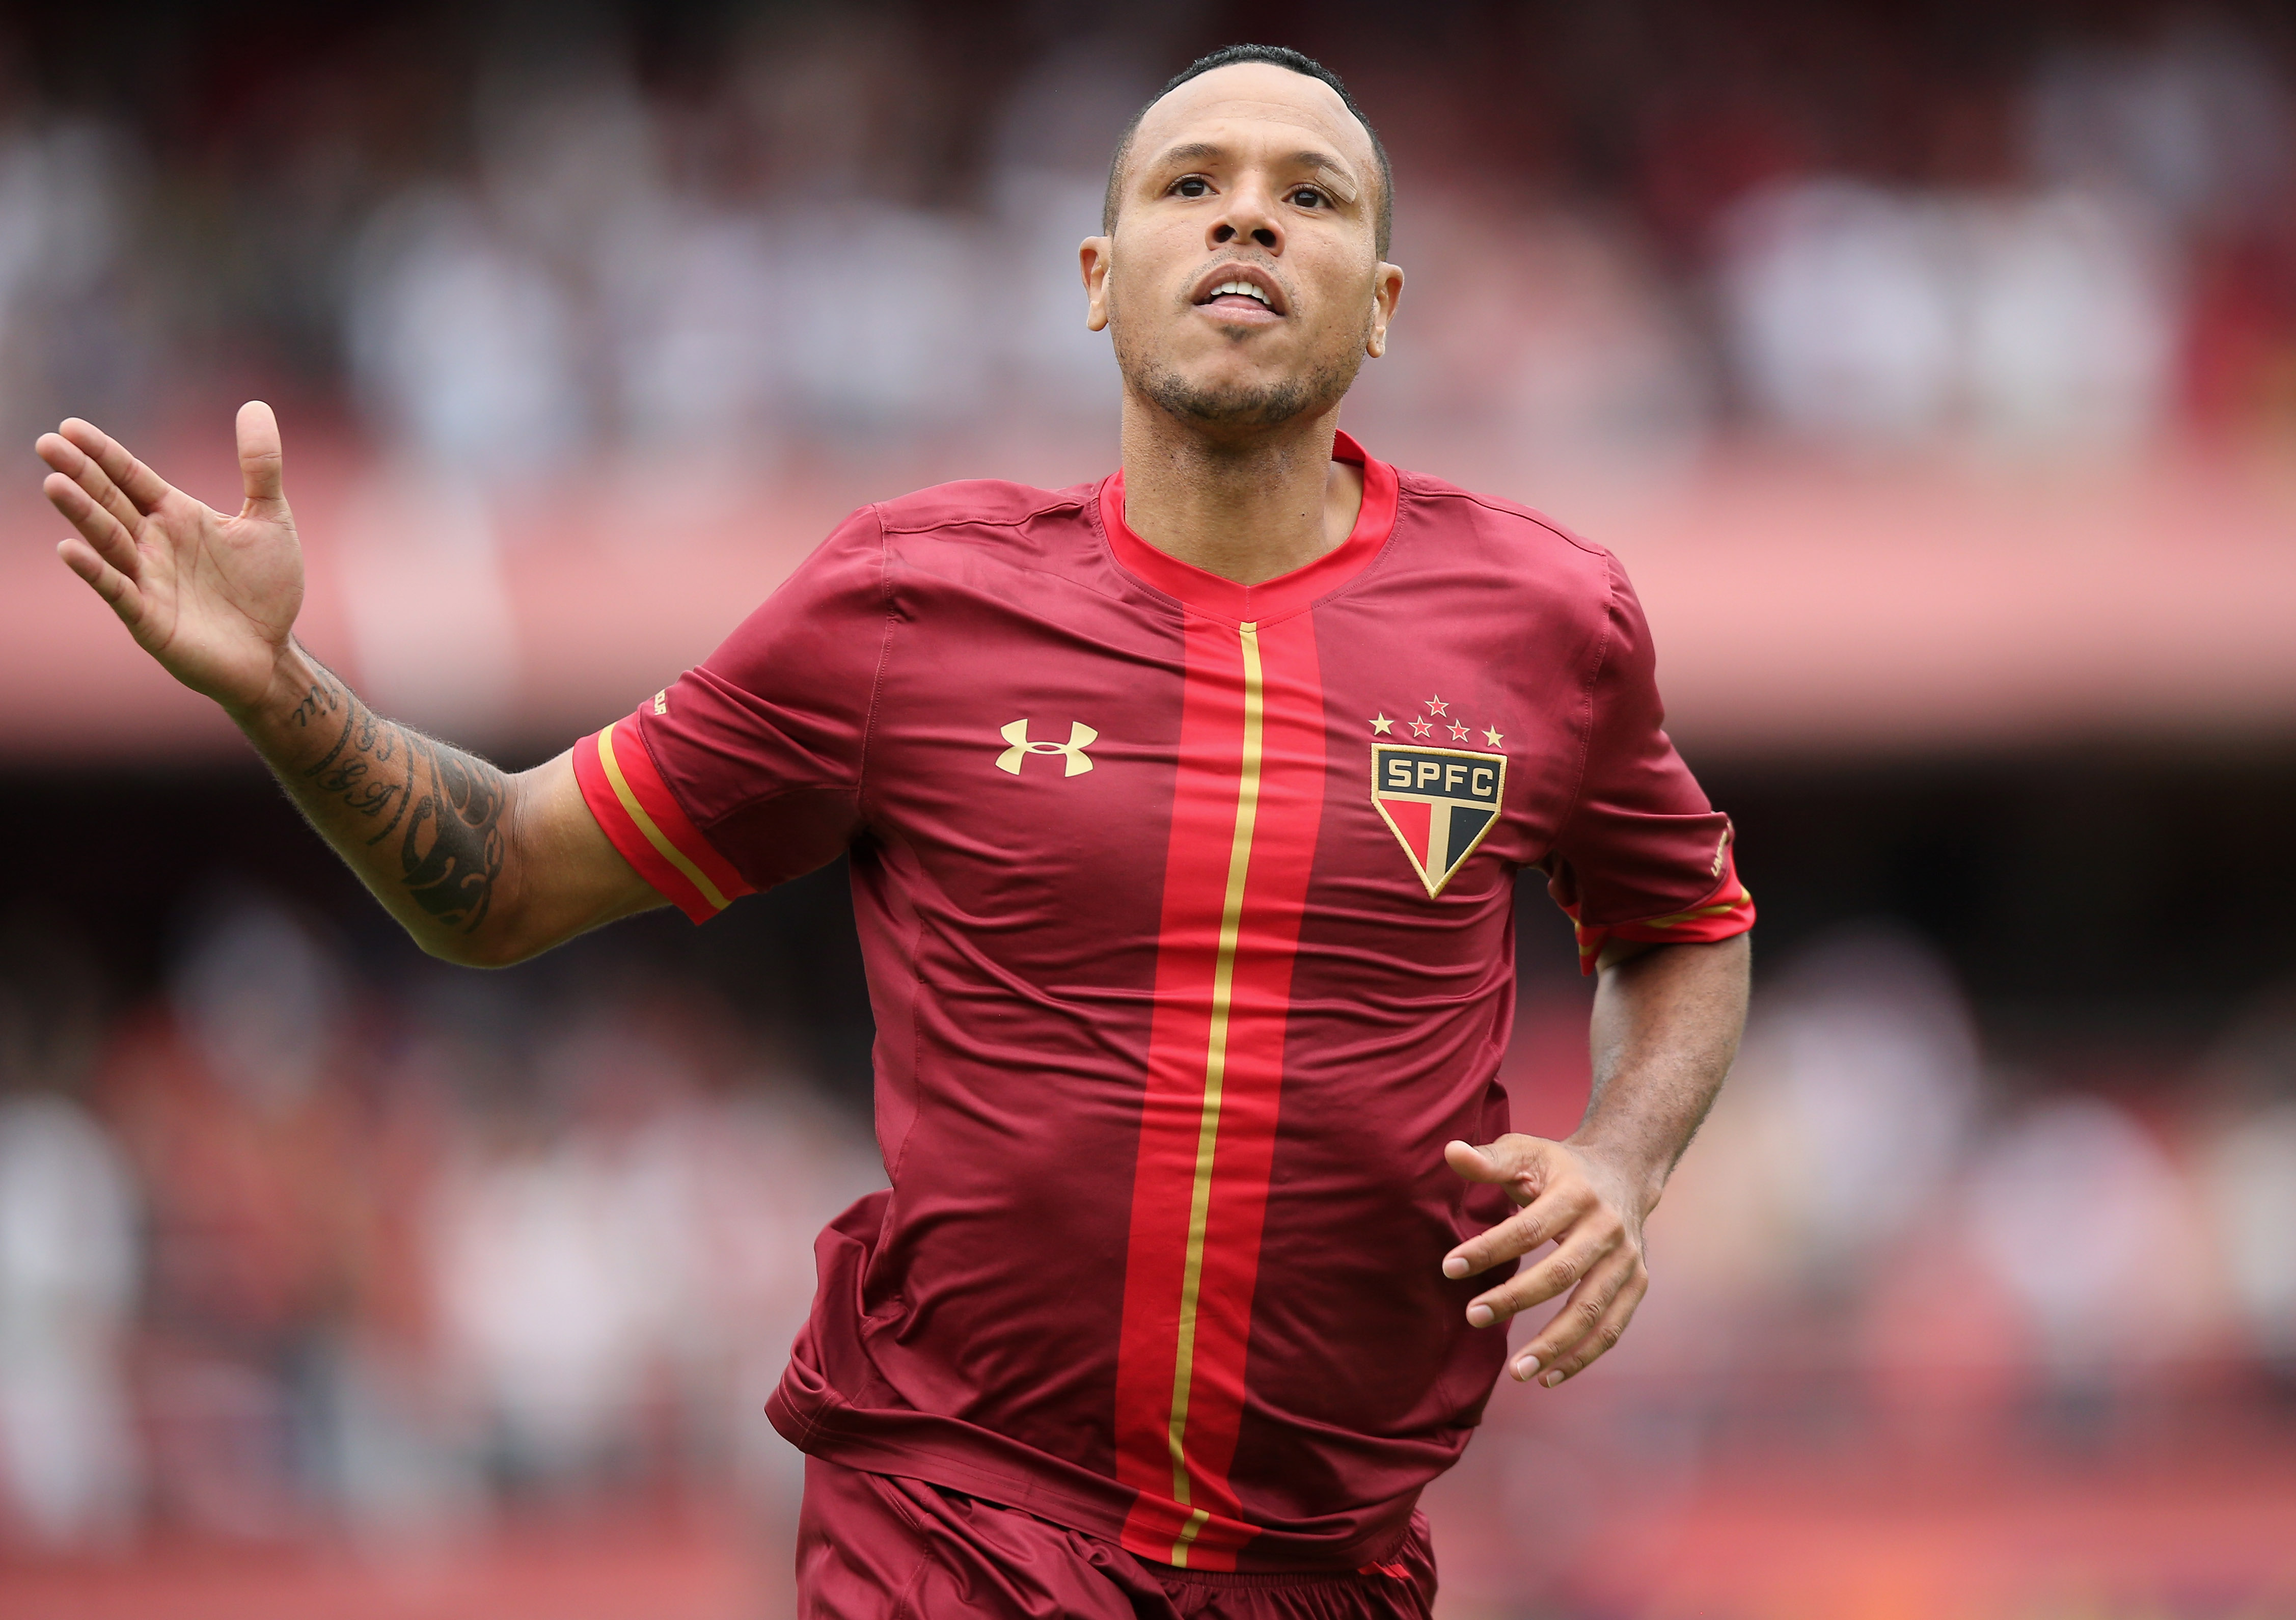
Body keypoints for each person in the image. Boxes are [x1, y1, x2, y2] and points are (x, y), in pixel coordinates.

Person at [35, 43, 1752, 1619]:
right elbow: (498, 879)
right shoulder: (909, 605)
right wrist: (276, 686)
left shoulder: (1544, 619)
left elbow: (1683, 921)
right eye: (1189, 182)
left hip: (1331, 1562)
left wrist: (1622, 1158)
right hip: (954, 1527)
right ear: (1097, 282)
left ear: (1379, 304)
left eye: (1308, 192)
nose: (1246, 210)